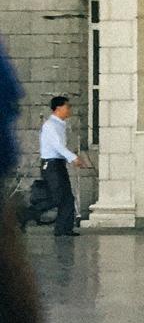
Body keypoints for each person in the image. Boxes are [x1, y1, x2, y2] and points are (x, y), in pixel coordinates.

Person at [0, 38, 89, 323]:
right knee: (63, 203)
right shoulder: (50, 126)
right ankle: (60, 226)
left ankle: (60, 226)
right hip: (56, 167)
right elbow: (7, 259)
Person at [37, 96, 86, 237]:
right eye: (67, 106)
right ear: (58, 108)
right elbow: (57, 146)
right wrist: (73, 158)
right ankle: (25, 213)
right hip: (51, 165)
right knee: (57, 197)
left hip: (58, 164)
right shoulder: (50, 125)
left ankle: (63, 229)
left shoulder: (60, 125)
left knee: (67, 198)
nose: (69, 109)